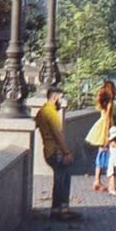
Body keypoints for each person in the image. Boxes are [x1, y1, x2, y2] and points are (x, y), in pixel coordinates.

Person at [32, 87, 74, 217]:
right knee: (63, 178)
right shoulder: (52, 114)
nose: (62, 101)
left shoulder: (41, 112)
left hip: (47, 150)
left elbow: (36, 125)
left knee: (60, 177)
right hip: (55, 151)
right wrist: (67, 152)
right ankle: (62, 209)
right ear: (55, 98)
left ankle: (57, 209)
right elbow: (58, 135)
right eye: (61, 98)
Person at [86, 79, 116, 199]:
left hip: (100, 125)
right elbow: (108, 118)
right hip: (105, 127)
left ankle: (97, 180)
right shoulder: (110, 103)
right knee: (106, 155)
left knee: (101, 153)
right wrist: (108, 135)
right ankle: (99, 181)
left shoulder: (102, 102)